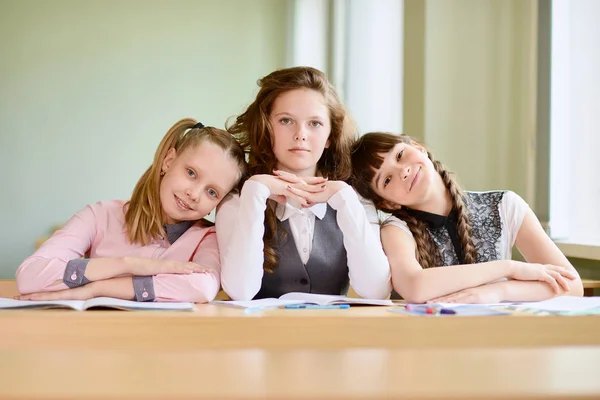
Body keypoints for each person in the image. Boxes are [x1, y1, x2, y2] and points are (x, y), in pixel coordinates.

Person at [16, 118, 246, 303]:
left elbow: (202, 287)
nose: (194, 194)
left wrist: (97, 289)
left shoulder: (208, 238)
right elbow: (29, 275)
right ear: (168, 161)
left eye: (212, 192)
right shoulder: (99, 215)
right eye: (191, 173)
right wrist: (129, 264)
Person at [215, 66, 391, 301]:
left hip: (337, 336)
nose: (300, 134)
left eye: (315, 123)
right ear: (267, 128)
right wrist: (255, 193)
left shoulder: (354, 199)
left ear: (330, 136)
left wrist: (345, 199)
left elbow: (376, 291)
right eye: (286, 120)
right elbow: (240, 292)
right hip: (257, 337)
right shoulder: (238, 200)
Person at [350, 132, 582, 303]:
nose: (403, 171)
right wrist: (508, 268)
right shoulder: (395, 230)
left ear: (418, 147)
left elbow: (572, 286)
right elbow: (414, 286)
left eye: (400, 155)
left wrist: (497, 292)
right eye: (387, 180)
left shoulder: (504, 205)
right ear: (387, 203)